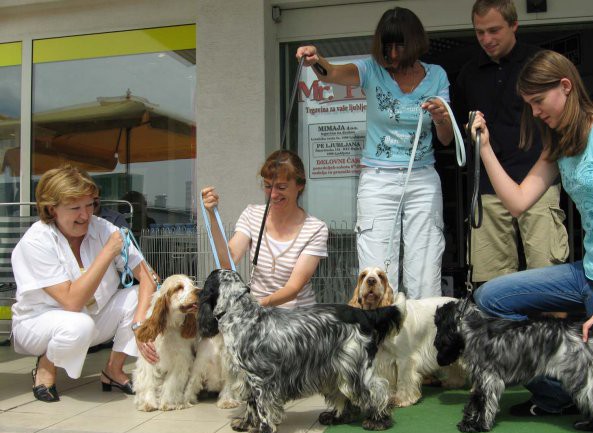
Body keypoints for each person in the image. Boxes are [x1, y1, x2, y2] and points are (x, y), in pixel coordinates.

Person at [470, 50, 593, 427]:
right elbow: (518, 202)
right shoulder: (560, 143)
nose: (535, 112)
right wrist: (485, 148)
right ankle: (562, 395)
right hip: (587, 274)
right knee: (490, 298)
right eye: (529, 104)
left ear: (565, 87)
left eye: (538, 101)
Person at [297, 6, 454, 298]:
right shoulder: (371, 69)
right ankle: (380, 339)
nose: (393, 54)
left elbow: (445, 139)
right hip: (378, 179)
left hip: (422, 178)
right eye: (387, 47)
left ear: (416, 42)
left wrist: (441, 117)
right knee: (375, 268)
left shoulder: (437, 76)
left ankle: (423, 340)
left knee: (425, 264)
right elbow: (330, 74)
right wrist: (316, 60)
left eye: (400, 45)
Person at [11, 165, 158, 402]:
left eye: (90, 205)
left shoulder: (102, 228)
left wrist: (140, 323)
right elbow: (71, 302)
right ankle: (46, 367)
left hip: (91, 316)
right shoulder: (36, 241)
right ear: (52, 209)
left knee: (139, 296)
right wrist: (108, 253)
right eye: (75, 208)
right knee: (77, 325)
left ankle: (113, 370)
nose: (86, 215)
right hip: (39, 324)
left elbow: (150, 279)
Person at [454, 0, 569, 284]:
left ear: (514, 25)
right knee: (492, 286)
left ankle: (548, 331)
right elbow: (455, 133)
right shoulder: (468, 73)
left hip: (537, 180)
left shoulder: (539, 62)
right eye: (479, 32)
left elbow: (562, 118)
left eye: (494, 30)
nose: (486, 39)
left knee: (547, 277)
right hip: (489, 186)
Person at [201, 149, 328, 308]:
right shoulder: (252, 214)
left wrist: (255, 305)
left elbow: (293, 288)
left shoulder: (316, 229)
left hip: (297, 318)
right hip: (259, 316)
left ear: (300, 186)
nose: (273, 194)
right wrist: (212, 216)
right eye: (268, 186)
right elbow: (228, 262)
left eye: (281, 187)